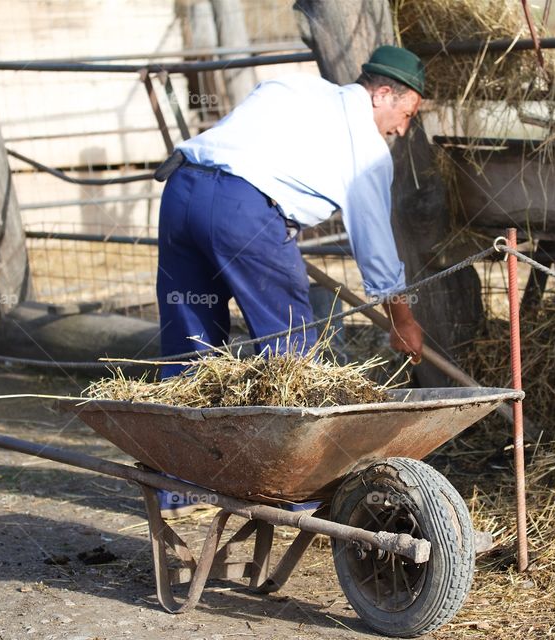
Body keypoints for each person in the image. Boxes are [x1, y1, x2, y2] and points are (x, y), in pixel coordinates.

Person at [152, 45, 427, 516]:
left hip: (183, 192)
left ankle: (180, 484)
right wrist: (401, 318)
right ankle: (295, 488)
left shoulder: (292, 85)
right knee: (291, 351)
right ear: (383, 94)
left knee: (189, 335)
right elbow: (376, 249)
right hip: (247, 210)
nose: (401, 128)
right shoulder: (367, 151)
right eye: (405, 113)